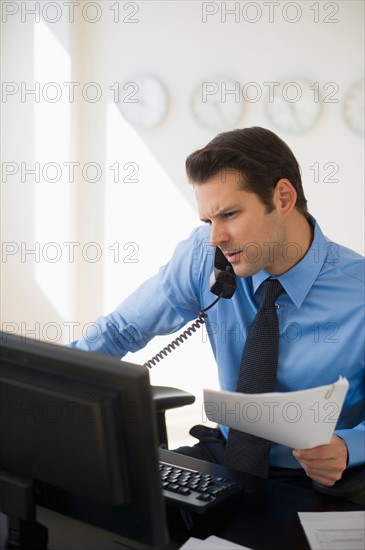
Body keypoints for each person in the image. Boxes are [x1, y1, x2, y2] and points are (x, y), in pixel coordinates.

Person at [69, 126, 365, 488]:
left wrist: (350, 447)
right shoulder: (204, 256)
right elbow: (120, 331)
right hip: (228, 455)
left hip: (327, 477)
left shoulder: (358, 294)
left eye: (230, 215)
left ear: (283, 198)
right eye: (208, 221)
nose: (216, 238)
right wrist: (41, 381)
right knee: (114, 495)